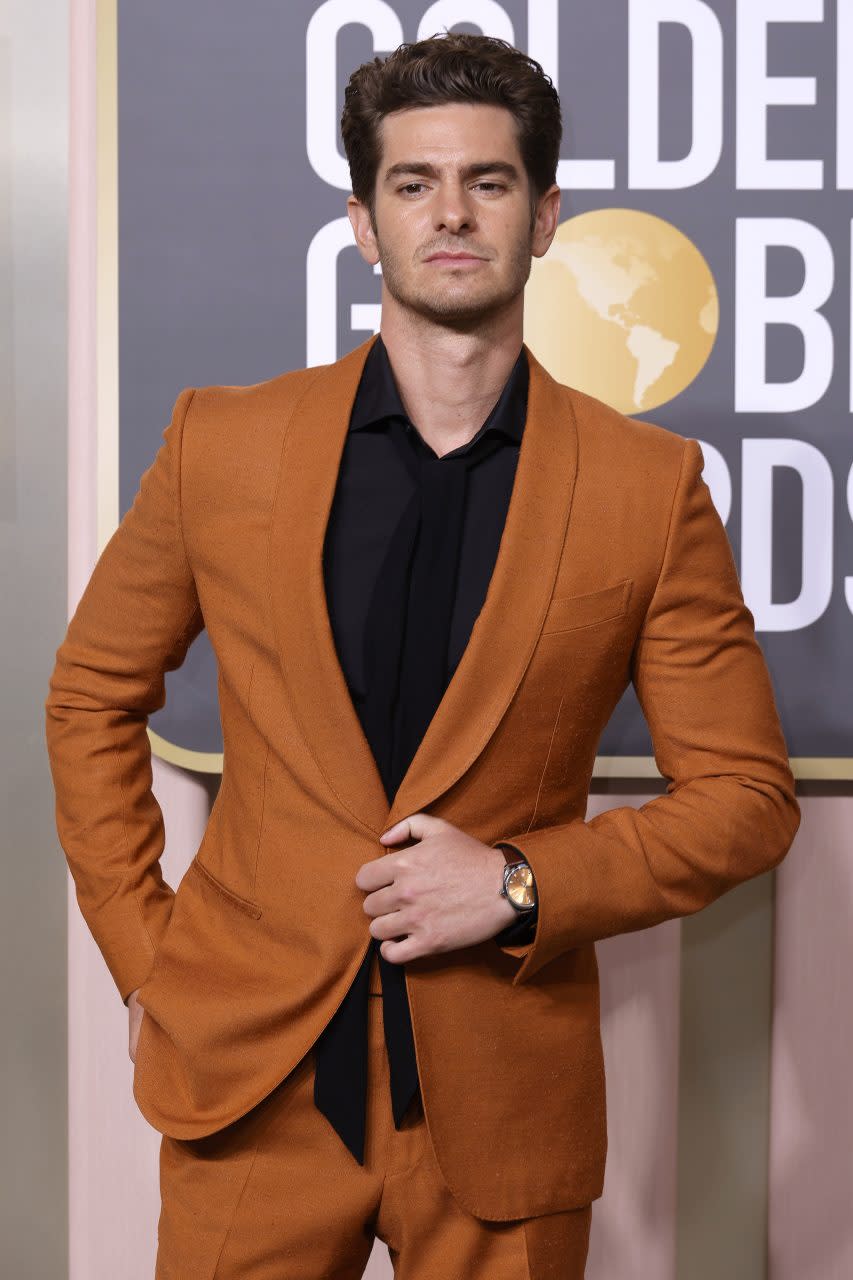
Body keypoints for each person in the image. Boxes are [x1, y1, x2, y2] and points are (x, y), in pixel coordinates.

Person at [45, 31, 800, 1279]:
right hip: (251, 1085)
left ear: (545, 215)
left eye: (489, 182)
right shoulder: (221, 444)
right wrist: (148, 958)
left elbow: (746, 798)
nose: (451, 212)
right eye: (413, 183)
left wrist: (515, 881)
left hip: (506, 1096)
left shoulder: (647, 488)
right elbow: (88, 699)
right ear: (364, 219)